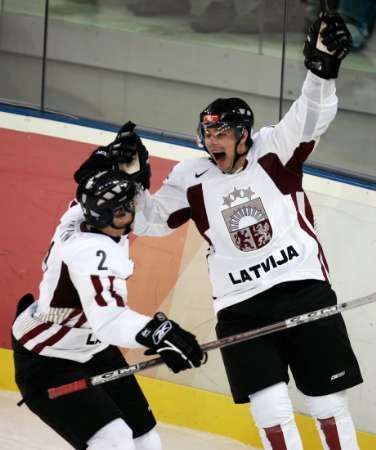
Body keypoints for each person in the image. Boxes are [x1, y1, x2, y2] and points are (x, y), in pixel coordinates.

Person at [74, 12, 362, 450]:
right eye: (207, 133)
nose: (213, 142)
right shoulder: (191, 177)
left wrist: (321, 68)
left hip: (301, 286)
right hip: (240, 304)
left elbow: (311, 116)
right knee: (271, 411)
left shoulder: (274, 149)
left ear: (243, 134)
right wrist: (131, 181)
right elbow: (149, 221)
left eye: (222, 132)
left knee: (326, 404)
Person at [12, 171, 205, 450]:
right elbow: (110, 319)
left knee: (146, 439)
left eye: (129, 205)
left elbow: (102, 188)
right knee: (113, 441)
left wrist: (117, 163)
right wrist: (158, 333)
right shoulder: (90, 252)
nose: (131, 213)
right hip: (49, 359)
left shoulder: (83, 215)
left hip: (93, 347)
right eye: (122, 210)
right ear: (101, 216)